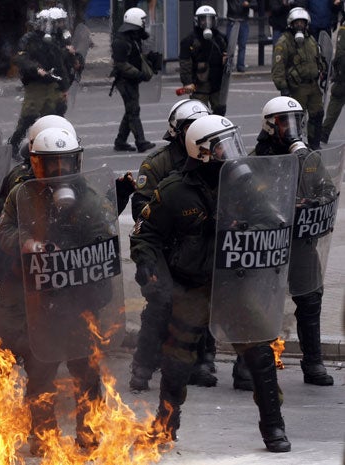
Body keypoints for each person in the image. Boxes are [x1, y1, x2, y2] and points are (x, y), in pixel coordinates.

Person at [131, 114, 292, 453]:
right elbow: (145, 235)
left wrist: (253, 228)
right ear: (201, 151)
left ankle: (274, 428)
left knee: (260, 354)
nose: (229, 152)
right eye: (221, 146)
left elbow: (270, 220)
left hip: (233, 283)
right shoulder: (174, 191)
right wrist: (150, 269)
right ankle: (164, 427)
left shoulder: (243, 184)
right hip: (193, 286)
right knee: (176, 361)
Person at [0, 126, 120, 456]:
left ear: (76, 160)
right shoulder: (22, 194)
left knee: (85, 370)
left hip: (77, 298)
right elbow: (3, 229)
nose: (59, 171)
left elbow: (105, 244)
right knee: (40, 368)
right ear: (35, 164)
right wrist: (28, 244)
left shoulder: (90, 200)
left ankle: (88, 435)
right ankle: (42, 435)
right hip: (38, 297)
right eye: (51, 164)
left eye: (65, 162)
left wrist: (78, 255)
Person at [128, 98, 215, 392]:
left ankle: (202, 360)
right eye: (191, 128)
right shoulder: (157, 164)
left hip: (197, 247)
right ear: (177, 131)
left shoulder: (212, 160)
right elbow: (143, 210)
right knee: (161, 301)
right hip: (163, 248)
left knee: (205, 295)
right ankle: (143, 364)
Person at [251, 96, 335, 386]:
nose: (291, 128)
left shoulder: (307, 157)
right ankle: (247, 366)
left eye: (296, 121)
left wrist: (314, 203)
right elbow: (246, 200)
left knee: (310, 299)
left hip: (301, 242)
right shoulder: (257, 158)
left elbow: (327, 189)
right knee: (259, 304)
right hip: (271, 245)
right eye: (284, 122)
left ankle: (313, 363)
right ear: (270, 125)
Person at [6, 8, 70, 157]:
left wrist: (64, 86)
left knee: (54, 116)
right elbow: (20, 58)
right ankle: (13, 145)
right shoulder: (29, 39)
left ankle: (51, 145)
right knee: (29, 116)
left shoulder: (54, 39)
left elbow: (59, 63)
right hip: (35, 85)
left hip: (52, 83)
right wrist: (36, 69)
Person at [272, 7, 326, 150]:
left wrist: (323, 71)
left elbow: (318, 58)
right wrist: (283, 87)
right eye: (297, 23)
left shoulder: (311, 40)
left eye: (302, 22)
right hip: (296, 88)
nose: (300, 26)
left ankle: (314, 145)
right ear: (291, 23)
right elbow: (278, 67)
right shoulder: (284, 42)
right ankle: (296, 146)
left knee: (317, 115)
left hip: (313, 86)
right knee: (295, 120)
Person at [110, 7, 156, 153]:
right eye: (142, 21)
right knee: (133, 111)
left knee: (130, 110)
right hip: (124, 80)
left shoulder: (133, 36)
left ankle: (120, 141)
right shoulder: (121, 41)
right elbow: (121, 64)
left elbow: (140, 48)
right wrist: (139, 74)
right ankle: (140, 142)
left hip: (131, 79)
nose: (144, 23)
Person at [178, 5, 228, 116]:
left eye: (210, 19)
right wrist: (187, 82)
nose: (207, 22)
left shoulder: (220, 38)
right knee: (200, 113)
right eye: (204, 19)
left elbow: (227, 55)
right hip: (200, 83)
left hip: (217, 82)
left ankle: (216, 132)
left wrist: (226, 60)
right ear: (197, 21)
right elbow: (185, 63)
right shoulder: (189, 40)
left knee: (220, 111)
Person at [322, 9, 345, 144]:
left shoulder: (343, 29)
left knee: (335, 103)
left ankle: (324, 133)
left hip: (343, 77)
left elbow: (341, 54)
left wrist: (338, 72)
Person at [225, 0, 257, 73]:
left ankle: (240, 65)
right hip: (233, 20)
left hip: (241, 20)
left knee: (242, 45)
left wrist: (248, 4)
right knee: (231, 45)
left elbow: (255, 4)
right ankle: (231, 65)